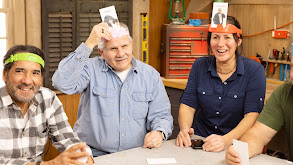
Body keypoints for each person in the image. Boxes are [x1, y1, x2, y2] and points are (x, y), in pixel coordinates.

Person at [52, 22, 173, 157]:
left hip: (137, 153)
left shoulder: (150, 75)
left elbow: (161, 115)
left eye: (124, 46)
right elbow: (61, 83)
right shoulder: (90, 69)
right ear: (102, 53)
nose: (121, 53)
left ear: (131, 45)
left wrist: (159, 132)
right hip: (94, 155)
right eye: (113, 49)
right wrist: (89, 44)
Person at [175, 16, 266, 152]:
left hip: (235, 146)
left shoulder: (254, 70)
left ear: (238, 41)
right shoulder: (199, 65)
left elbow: (252, 115)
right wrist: (184, 130)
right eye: (215, 37)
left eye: (227, 38)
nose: (220, 44)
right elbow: (188, 105)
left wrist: (225, 140)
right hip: (201, 142)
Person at [0, 45, 94, 164]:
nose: (27, 80)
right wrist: (51, 164)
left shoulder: (47, 98)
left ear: (40, 78)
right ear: (5, 74)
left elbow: (67, 137)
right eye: (19, 71)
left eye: (35, 73)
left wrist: (84, 156)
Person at [225, 56, 293, 164]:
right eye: (292, 67)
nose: (291, 75)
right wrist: (240, 152)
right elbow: (258, 134)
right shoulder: (284, 92)